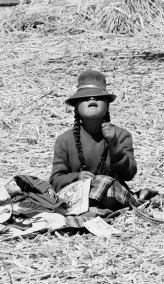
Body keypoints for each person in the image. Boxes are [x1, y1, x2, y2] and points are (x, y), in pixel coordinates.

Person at [49, 69, 138, 210]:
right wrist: (77, 177)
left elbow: (129, 174)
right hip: (77, 197)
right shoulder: (64, 140)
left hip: (113, 197)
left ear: (107, 105)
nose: (92, 99)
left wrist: (114, 143)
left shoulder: (121, 135)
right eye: (85, 97)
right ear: (77, 107)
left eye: (98, 96)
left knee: (108, 188)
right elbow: (55, 180)